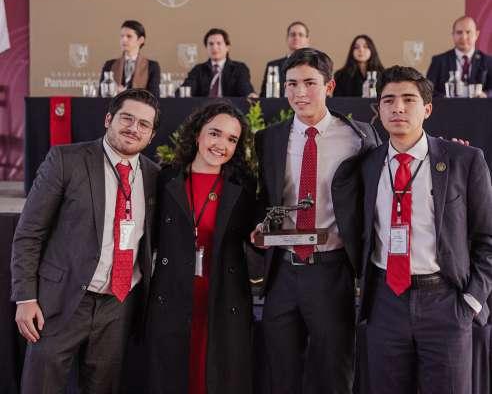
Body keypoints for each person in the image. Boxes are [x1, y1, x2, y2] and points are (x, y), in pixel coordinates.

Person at [11, 89, 160, 394]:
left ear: (152, 135)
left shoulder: (155, 176)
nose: (134, 128)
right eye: (127, 118)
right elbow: (30, 232)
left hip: (118, 305)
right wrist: (25, 298)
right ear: (108, 119)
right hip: (59, 301)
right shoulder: (66, 160)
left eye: (144, 124)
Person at [251, 47, 380, 394]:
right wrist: (261, 227)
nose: (300, 92)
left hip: (331, 271)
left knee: (334, 375)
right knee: (281, 375)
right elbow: (266, 198)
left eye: (310, 83)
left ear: (329, 86)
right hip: (281, 273)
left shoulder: (359, 137)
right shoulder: (269, 138)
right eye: (292, 84)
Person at [358, 65, 492, 394]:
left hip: (445, 302)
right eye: (388, 100)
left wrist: (472, 302)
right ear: (379, 109)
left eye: (408, 99)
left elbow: (487, 238)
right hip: (385, 303)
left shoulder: (464, 160)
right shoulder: (367, 164)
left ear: (427, 109)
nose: (398, 108)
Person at [145, 101, 256, 394]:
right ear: (197, 134)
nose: (221, 145)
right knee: (173, 376)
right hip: (172, 296)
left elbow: (254, 242)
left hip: (223, 298)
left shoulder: (243, 185)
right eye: (215, 133)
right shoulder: (165, 179)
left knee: (217, 378)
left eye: (232, 139)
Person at [426, 16, 492, 97]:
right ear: (453, 35)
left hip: (479, 105)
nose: (463, 37)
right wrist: (444, 98)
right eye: (459, 32)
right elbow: (427, 90)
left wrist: (485, 95)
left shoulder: (488, 61)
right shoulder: (439, 61)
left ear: (476, 34)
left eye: (468, 32)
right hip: (447, 105)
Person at [180, 28, 256, 97]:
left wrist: (250, 94)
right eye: (211, 44)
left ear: (227, 47)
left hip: (229, 107)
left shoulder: (239, 69)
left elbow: (245, 87)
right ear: (206, 48)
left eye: (219, 43)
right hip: (204, 107)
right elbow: (186, 89)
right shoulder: (198, 70)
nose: (214, 47)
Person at [99, 20, 161, 98]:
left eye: (129, 36)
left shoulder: (152, 66)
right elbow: (100, 95)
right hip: (114, 105)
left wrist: (126, 93)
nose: (124, 39)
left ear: (141, 40)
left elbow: (154, 96)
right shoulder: (109, 65)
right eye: (122, 36)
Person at [259, 21, 310, 97]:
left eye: (301, 35)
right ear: (287, 39)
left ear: (307, 40)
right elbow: (264, 96)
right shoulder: (273, 66)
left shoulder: (315, 66)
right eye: (293, 34)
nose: (296, 38)